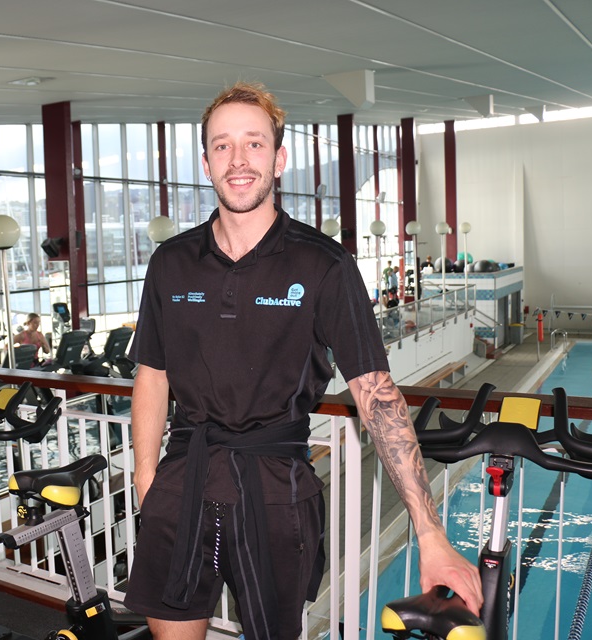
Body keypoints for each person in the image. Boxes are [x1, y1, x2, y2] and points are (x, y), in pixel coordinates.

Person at [124, 82, 481, 640]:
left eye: (254, 144)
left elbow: (376, 394)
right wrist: (147, 478)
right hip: (184, 481)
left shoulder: (324, 266)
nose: (238, 160)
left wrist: (429, 531)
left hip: (275, 489)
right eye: (222, 146)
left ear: (279, 158)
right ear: (205, 161)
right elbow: (153, 371)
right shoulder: (171, 263)